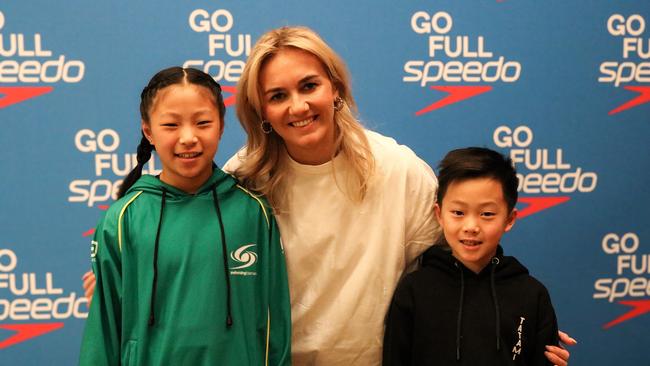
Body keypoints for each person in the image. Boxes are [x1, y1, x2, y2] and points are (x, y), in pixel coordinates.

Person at [83, 26, 574, 365]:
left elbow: (459, 266)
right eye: (277, 96)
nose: (297, 105)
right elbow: (182, 256)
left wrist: (517, 320)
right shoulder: (242, 180)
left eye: (309, 86)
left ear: (335, 87)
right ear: (262, 112)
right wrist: (121, 272)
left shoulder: (398, 170)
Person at [79, 67, 291, 366]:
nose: (188, 137)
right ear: (148, 131)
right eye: (170, 125)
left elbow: (276, 323)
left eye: (203, 122)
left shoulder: (254, 213)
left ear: (220, 126)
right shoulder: (123, 219)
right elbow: (103, 332)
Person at [383, 147, 560, 365]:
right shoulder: (414, 291)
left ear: (509, 219)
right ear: (439, 215)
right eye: (458, 212)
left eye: (487, 214)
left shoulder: (532, 295)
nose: (471, 226)